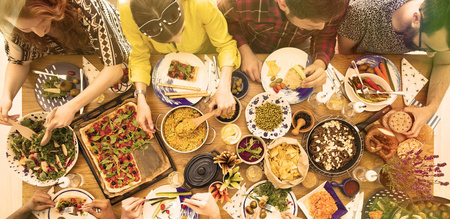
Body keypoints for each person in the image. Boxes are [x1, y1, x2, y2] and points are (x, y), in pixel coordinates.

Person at [0, 0, 130, 130]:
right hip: (71, 57)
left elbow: (114, 69)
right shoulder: (12, 26)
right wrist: (7, 96)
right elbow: (18, 62)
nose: (40, 33)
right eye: (26, 28)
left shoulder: (85, 6)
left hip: (115, 42)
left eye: (42, 20)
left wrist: (72, 106)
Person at [118, 0, 241, 133]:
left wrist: (224, 86)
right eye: (169, 40)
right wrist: (140, 98)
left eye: (182, 30)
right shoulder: (127, 10)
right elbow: (139, 55)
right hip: (160, 62)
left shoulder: (200, 3)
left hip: (205, 54)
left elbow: (225, 45)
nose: (179, 41)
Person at [337, 0, 450, 138]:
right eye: (427, 46)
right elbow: (344, 56)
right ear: (416, 19)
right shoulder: (360, 15)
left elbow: (444, 63)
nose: (430, 55)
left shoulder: (442, 29)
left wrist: (430, 109)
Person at [218, 0, 348, 86]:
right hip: (252, 43)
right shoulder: (243, 2)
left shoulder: (336, 3)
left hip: (298, 45)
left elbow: (326, 33)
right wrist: (244, 49)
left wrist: (320, 63)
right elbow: (225, 19)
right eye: (311, 24)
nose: (321, 27)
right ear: (283, 3)